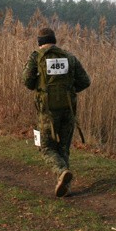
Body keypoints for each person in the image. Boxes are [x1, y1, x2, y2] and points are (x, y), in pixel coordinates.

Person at [21, 27, 90, 197]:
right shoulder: (69, 57)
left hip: (47, 112)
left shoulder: (36, 57)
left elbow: (27, 82)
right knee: (63, 148)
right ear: (54, 40)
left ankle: (61, 173)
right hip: (68, 110)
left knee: (45, 147)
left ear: (40, 42)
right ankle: (65, 186)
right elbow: (85, 81)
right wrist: (69, 90)